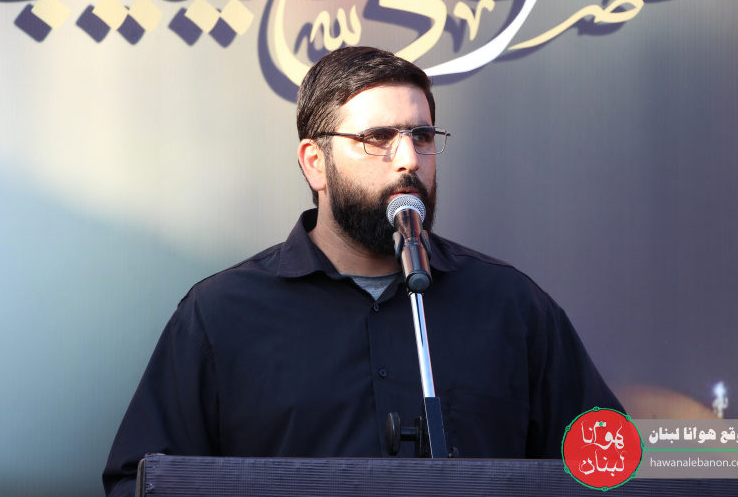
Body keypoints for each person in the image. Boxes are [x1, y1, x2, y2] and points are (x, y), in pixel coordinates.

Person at [102, 47, 623, 496]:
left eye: (422, 135)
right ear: (315, 162)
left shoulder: (509, 304)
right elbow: (140, 480)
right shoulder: (221, 315)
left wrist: (672, 452)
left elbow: (618, 463)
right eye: (378, 137)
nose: (409, 159)